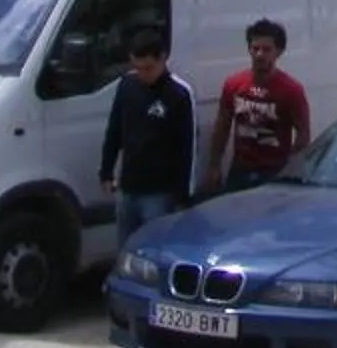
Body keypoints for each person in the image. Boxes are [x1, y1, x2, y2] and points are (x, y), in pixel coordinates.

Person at [99, 27, 196, 235]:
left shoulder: (178, 94)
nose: (143, 74)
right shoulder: (127, 85)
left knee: (155, 248)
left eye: (149, 68)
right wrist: (106, 170)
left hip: (159, 192)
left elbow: (186, 149)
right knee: (125, 247)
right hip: (128, 187)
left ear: (162, 59)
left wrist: (182, 196)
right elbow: (115, 130)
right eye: (138, 67)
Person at [205, 17, 313, 195]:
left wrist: (288, 168)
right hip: (240, 170)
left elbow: (303, 135)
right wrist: (214, 166)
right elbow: (222, 128)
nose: (259, 54)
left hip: (272, 171)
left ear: (278, 52)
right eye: (255, 48)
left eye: (266, 49)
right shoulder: (234, 84)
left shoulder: (291, 90)